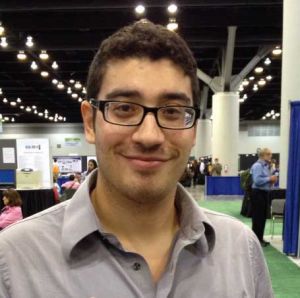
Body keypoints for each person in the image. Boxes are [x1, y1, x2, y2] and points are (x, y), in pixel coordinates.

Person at [0, 21, 273, 297]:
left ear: (193, 130)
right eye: (125, 108)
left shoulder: (241, 252)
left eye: (172, 112)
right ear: (90, 122)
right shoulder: (13, 261)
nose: (149, 136)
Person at [250, 148, 278, 247]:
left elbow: (265, 180)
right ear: (263, 155)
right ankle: (256, 240)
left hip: (264, 193)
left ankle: (260, 238)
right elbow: (257, 180)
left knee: (262, 218)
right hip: (258, 194)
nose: (271, 155)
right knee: (258, 218)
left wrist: (271, 181)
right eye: (269, 154)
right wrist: (270, 178)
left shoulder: (266, 166)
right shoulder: (258, 166)